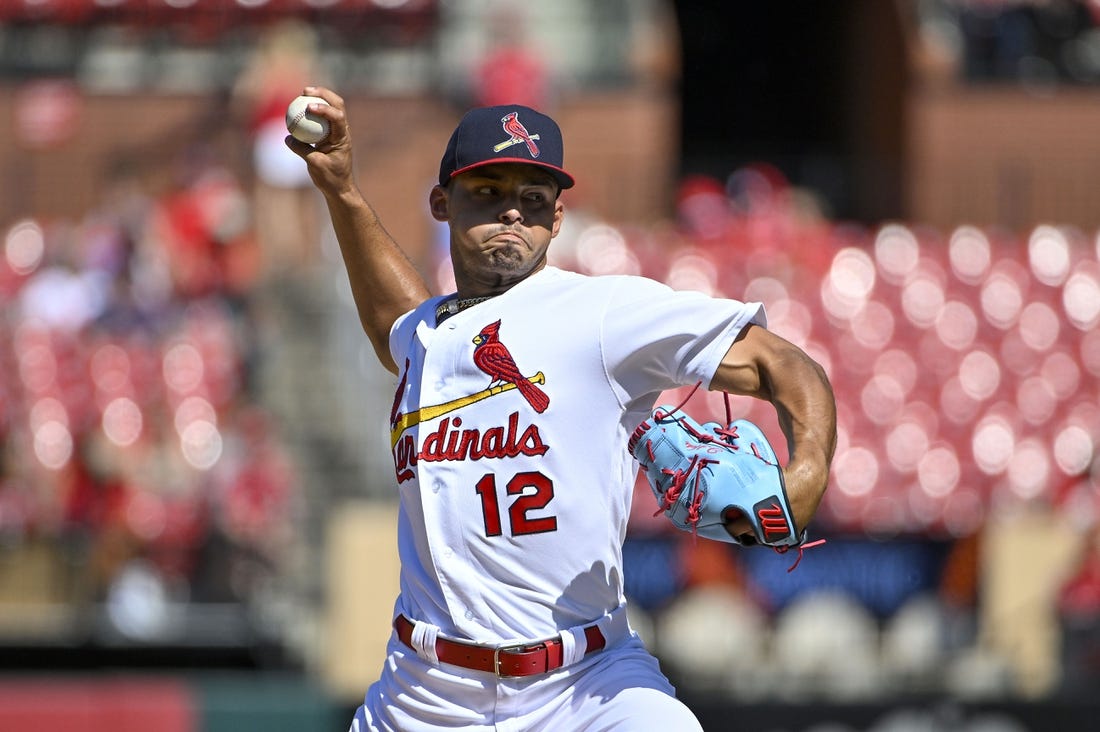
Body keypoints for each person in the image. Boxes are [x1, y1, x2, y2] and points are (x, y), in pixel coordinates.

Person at [288, 87, 837, 731]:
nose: (512, 213)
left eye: (533, 198)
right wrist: (344, 193)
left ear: (556, 219)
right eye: (488, 192)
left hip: (584, 686)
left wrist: (808, 471)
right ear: (442, 202)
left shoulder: (601, 315)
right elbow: (396, 325)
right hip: (422, 696)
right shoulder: (423, 339)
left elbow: (784, 364)